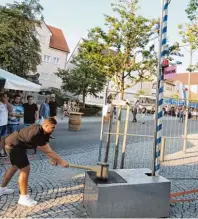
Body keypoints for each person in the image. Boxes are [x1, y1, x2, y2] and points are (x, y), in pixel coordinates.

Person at [0, 118, 69, 206]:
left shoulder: (45, 133)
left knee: (15, 166)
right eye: (52, 127)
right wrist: (61, 161)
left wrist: (54, 159)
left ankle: (2, 189)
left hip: (16, 144)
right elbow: (47, 151)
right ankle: (23, 198)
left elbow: (48, 148)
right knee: (25, 168)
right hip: (13, 145)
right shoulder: (37, 133)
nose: (53, 129)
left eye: (54, 127)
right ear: (46, 125)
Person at [0, 93, 12, 158]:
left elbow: (11, 110)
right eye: (4, 97)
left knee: (2, 138)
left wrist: (7, 103)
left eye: (7, 97)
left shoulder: (6, 105)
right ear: (1, 97)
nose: (6, 98)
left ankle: (1, 152)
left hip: (4, 124)